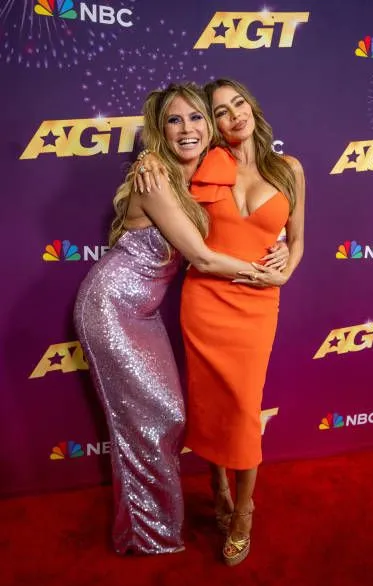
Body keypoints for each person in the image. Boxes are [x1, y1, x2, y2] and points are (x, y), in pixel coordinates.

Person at [74, 83, 274, 556]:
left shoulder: (202, 172)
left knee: (168, 416)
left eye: (197, 117)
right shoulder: (156, 177)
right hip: (111, 306)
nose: (188, 128)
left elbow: (252, 206)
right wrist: (268, 274)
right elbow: (202, 257)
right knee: (149, 420)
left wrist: (282, 245)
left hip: (144, 312)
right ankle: (148, 535)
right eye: (174, 120)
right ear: (159, 131)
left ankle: (156, 525)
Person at [136, 78, 305, 566]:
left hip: (258, 306)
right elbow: (164, 165)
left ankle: (244, 511)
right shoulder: (203, 166)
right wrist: (147, 158)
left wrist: (286, 269)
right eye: (221, 112)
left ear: (252, 107)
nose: (234, 116)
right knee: (210, 405)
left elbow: (297, 240)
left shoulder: (289, 170)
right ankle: (217, 485)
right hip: (206, 302)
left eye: (238, 104)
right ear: (213, 125)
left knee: (245, 409)